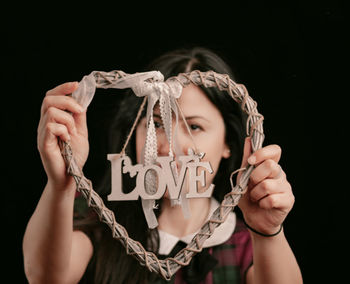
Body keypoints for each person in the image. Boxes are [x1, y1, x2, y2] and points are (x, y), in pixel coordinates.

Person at [23, 47, 302, 284]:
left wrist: (267, 233)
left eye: (194, 126)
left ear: (228, 142)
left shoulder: (246, 244)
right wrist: (60, 184)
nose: (169, 148)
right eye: (156, 124)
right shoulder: (100, 216)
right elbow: (46, 277)